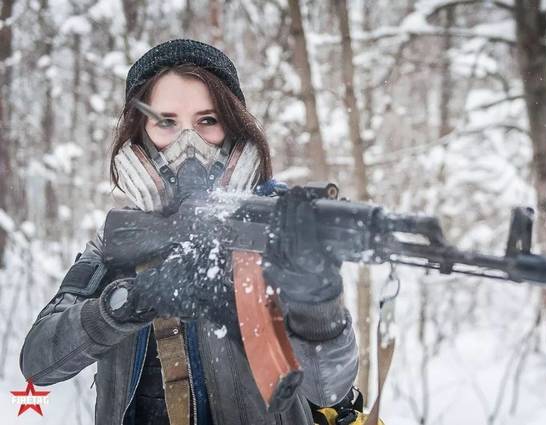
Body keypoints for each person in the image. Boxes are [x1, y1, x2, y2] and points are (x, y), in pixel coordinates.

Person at [19, 39, 358, 425]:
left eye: (207, 121)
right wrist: (128, 303)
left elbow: (327, 388)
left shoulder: (274, 225)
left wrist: (318, 298)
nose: (188, 144)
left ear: (234, 128)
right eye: (166, 122)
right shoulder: (118, 239)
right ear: (139, 133)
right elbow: (38, 363)